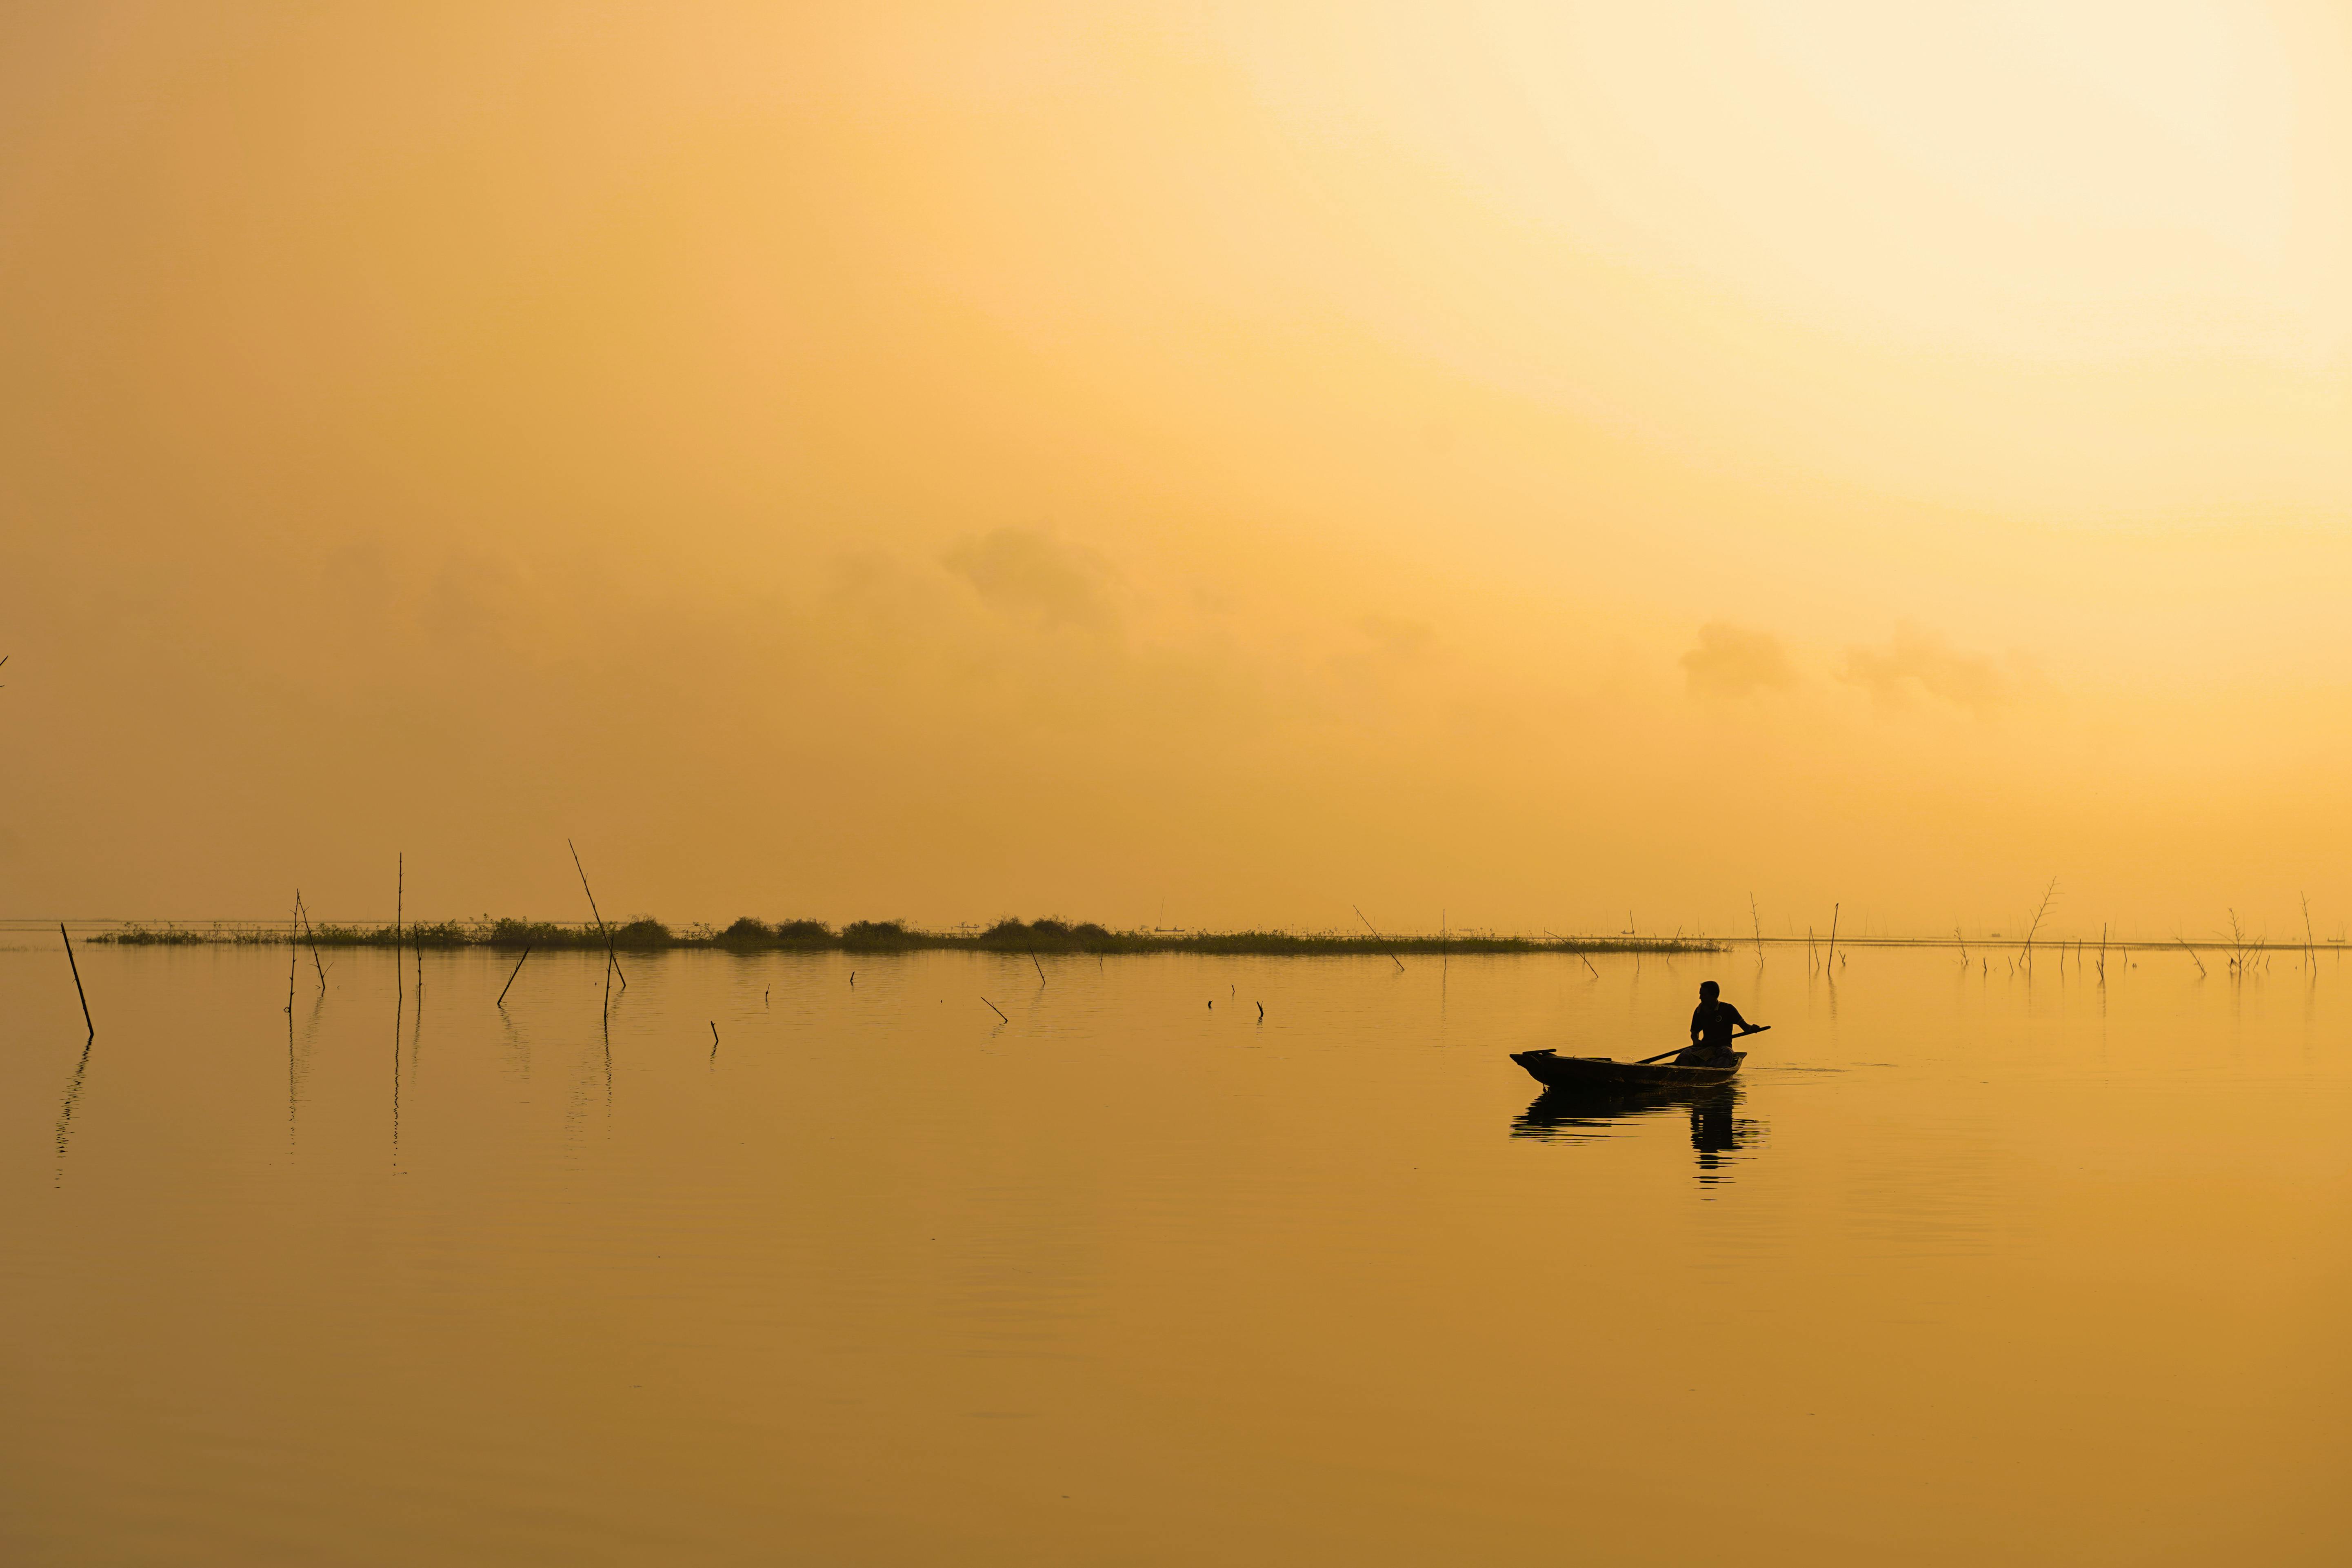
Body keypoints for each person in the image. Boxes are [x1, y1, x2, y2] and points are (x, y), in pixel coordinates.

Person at [1677, 980, 1759, 1067]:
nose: (1700, 998)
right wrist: (1696, 1041)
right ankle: (1686, 1072)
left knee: (1727, 1053)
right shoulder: (1699, 1011)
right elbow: (1694, 1033)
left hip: (1723, 1047)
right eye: (1700, 994)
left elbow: (1746, 1028)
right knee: (1685, 1054)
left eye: (1703, 995)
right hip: (1706, 1048)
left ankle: (1713, 1071)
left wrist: (1753, 1029)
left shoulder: (1728, 1009)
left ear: (1714, 995)